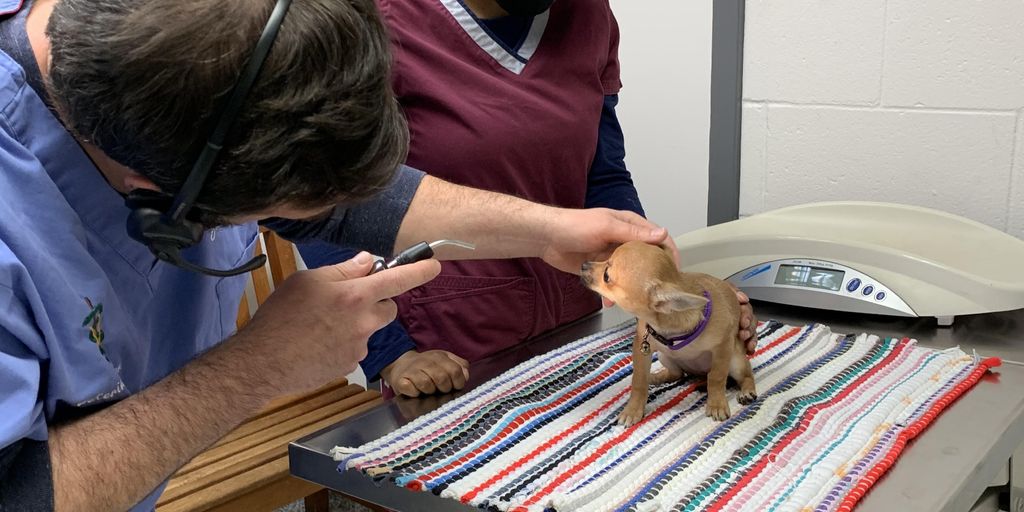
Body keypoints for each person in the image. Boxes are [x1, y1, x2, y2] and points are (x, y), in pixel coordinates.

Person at [0, 0, 675, 510]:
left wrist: (547, 229)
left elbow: (346, 197)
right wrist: (261, 364)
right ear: (159, 201)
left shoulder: (206, 62)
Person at [298, 0, 758, 398]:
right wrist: (392, 354)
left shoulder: (588, 16)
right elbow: (325, 208)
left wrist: (686, 301)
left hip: (573, 329)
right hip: (447, 341)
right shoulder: (378, 24)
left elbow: (604, 176)